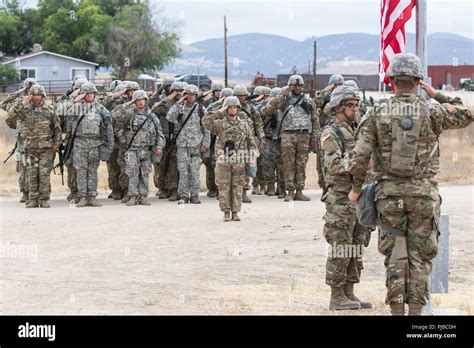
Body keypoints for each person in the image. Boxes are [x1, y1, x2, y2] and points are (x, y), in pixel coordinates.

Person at [347, 53, 473, 315]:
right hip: (423, 196)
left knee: (395, 256)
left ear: (392, 81)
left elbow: (359, 155)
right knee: (419, 257)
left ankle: (396, 313)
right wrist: (438, 95)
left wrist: (356, 189)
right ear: (417, 81)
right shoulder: (432, 110)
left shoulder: (377, 112)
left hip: (388, 196)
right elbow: (468, 113)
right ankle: (416, 317)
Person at [320, 85, 373, 310]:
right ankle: (336, 295)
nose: (354, 109)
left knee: (357, 246)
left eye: (356, 105)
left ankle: (350, 292)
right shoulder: (331, 133)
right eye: (350, 105)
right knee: (341, 246)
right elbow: (334, 166)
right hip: (341, 199)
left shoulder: (357, 130)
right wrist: (359, 163)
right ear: (338, 107)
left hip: (360, 198)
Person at [260, 75, 319, 201]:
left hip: (304, 135)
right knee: (288, 164)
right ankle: (290, 191)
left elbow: (315, 120)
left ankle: (299, 191)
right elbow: (266, 111)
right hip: (288, 135)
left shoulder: (308, 100)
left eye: (299, 86)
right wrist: (282, 94)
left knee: (301, 163)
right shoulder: (283, 100)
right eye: (294, 85)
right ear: (290, 86)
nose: (297, 88)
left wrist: (314, 138)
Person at [202, 96, 258, 221]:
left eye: (235, 107)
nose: (232, 110)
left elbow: (251, 141)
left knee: (237, 187)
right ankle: (226, 212)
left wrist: (252, 157)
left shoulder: (244, 125)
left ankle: (236, 212)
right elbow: (206, 122)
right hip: (223, 160)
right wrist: (220, 111)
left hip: (239, 160)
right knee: (224, 186)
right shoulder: (220, 124)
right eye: (230, 107)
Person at [7, 84, 61, 208]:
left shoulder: (49, 110)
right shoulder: (24, 109)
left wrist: (56, 144)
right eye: (34, 95)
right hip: (30, 148)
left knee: (44, 174)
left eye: (38, 95)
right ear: (30, 96)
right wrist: (21, 103)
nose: (36, 97)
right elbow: (10, 117)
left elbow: (57, 128)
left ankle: (43, 199)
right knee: (31, 174)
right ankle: (33, 198)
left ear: (42, 96)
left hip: (46, 149)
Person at [70, 82, 114, 207]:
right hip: (80, 143)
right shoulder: (76, 107)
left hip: (95, 143)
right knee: (81, 171)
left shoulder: (100, 108)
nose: (89, 95)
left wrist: (110, 144)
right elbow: (62, 111)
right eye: (87, 93)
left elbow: (108, 125)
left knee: (93, 171)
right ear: (83, 94)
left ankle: (92, 196)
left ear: (95, 94)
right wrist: (74, 100)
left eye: (92, 93)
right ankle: (83, 196)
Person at [166, 84, 210, 204]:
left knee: (194, 171)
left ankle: (194, 195)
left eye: (193, 94)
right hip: (182, 145)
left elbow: (207, 127)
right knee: (183, 171)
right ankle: (184, 195)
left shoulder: (201, 109)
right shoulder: (179, 108)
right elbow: (169, 117)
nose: (190, 97)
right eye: (188, 94)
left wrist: (205, 144)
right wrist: (179, 102)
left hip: (196, 145)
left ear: (196, 96)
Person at [121, 90, 165, 206]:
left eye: (142, 100)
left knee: (145, 173)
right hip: (132, 149)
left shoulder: (151, 116)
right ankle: (133, 196)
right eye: (138, 100)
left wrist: (159, 146)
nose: (141, 102)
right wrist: (129, 103)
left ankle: (143, 196)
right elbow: (115, 114)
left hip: (146, 149)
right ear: (134, 101)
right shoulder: (129, 114)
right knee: (132, 172)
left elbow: (159, 132)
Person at [1, 77, 37, 203]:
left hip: (35, 139)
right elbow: (3, 104)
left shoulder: (38, 100)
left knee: (34, 167)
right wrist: (16, 93)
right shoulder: (18, 101)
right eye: (28, 88)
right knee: (23, 168)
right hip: (22, 140)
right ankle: (25, 193)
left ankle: (34, 193)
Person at [151, 81, 186, 201]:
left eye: (181, 91)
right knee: (161, 165)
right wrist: (167, 99)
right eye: (176, 91)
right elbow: (153, 111)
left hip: (180, 138)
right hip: (165, 137)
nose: (179, 94)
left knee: (174, 164)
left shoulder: (186, 104)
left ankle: (174, 190)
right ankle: (162, 188)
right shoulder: (166, 104)